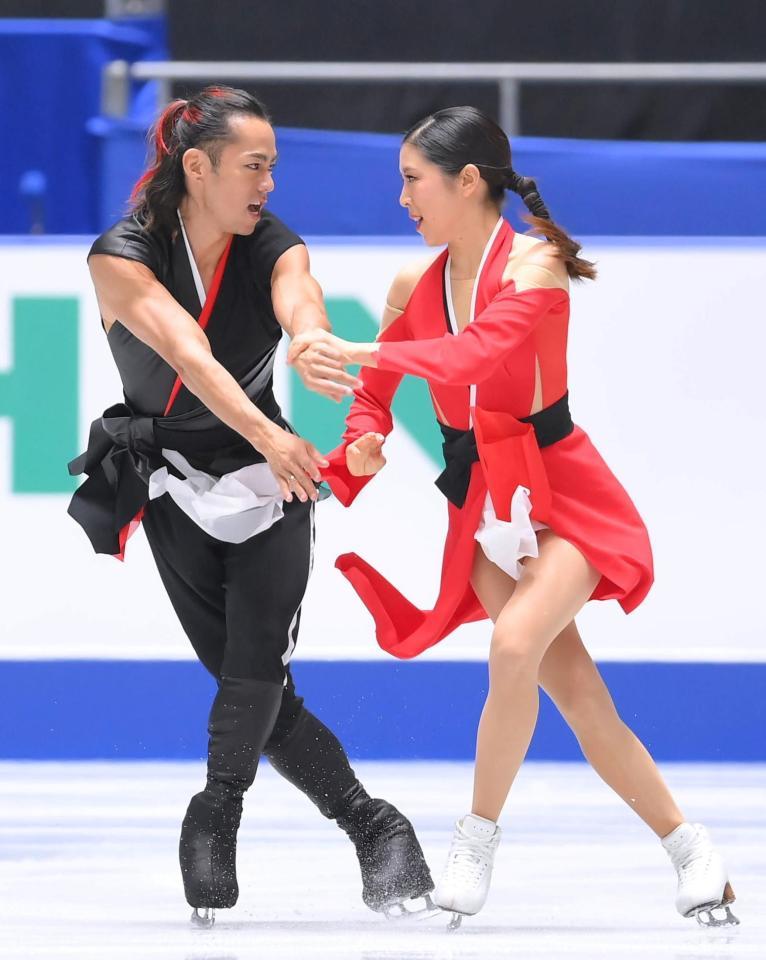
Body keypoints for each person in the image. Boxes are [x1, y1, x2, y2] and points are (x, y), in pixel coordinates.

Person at [288, 106, 738, 930]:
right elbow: (376, 405)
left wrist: (358, 350)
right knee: (576, 692)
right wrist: (363, 442)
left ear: (467, 181)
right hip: (486, 505)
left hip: (563, 493)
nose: (401, 200)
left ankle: (476, 839)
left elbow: (476, 356)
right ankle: (691, 851)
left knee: (514, 643)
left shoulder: (536, 268)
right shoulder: (410, 289)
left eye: (413, 181)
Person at [67, 86, 434, 925]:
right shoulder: (121, 256)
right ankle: (375, 824)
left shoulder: (272, 243)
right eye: (253, 166)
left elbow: (299, 302)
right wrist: (271, 434)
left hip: (275, 486)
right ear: (197, 168)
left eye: (274, 165)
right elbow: (189, 356)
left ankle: (215, 812)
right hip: (171, 484)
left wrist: (306, 341)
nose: (268, 182)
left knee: (256, 664)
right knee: (253, 688)